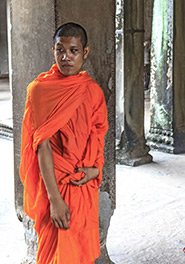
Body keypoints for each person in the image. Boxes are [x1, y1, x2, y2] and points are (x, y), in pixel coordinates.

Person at [19, 22, 108, 264]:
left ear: (85, 52)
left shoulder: (92, 91)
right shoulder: (40, 90)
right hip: (55, 187)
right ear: (53, 51)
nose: (66, 57)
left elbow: (98, 135)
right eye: (60, 50)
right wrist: (55, 199)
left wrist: (97, 169)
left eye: (73, 50)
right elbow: (42, 145)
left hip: (83, 186)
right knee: (55, 255)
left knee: (80, 254)